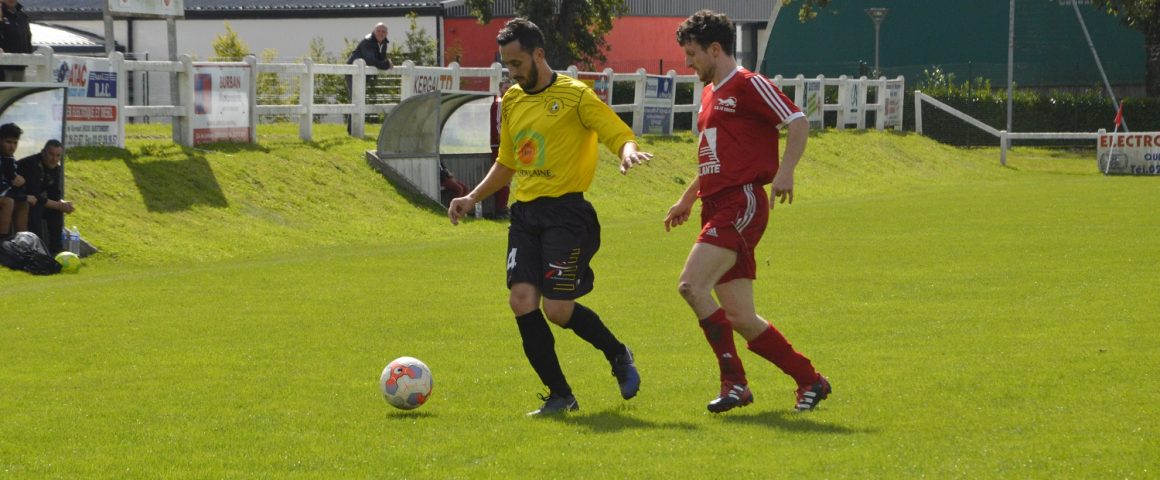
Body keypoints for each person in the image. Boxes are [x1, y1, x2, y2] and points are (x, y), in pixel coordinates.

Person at [447, 18, 652, 416]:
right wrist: (471, 197)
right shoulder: (512, 100)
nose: (512, 72)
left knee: (557, 310)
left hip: (566, 214)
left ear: (538, 55)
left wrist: (627, 152)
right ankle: (561, 396)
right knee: (521, 300)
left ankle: (617, 353)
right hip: (525, 215)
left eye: (517, 63)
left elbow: (615, 131)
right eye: (507, 64)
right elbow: (507, 162)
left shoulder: (575, 95)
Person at [665, 10, 831, 413]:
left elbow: (797, 121)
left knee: (691, 286)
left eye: (692, 54)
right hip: (715, 204)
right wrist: (688, 198)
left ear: (715, 49)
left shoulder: (749, 84)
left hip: (741, 203)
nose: (687, 62)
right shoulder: (709, 95)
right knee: (740, 316)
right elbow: (714, 157)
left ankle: (735, 383)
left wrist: (786, 172)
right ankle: (810, 379)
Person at [17, 140, 73, 253]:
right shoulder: (32, 164)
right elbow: (35, 195)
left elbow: (54, 195)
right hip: (17, 199)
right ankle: (38, 250)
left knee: (56, 211)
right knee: (36, 207)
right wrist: (58, 205)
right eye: (51, 154)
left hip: (32, 200)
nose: (54, 159)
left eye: (58, 155)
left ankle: (56, 251)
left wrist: (63, 204)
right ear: (43, 152)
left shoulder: (56, 168)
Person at [345, 22, 393, 135]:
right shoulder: (368, 41)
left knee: (358, 99)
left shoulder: (384, 43)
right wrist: (387, 64)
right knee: (356, 98)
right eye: (378, 31)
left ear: (387, 33)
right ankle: (353, 130)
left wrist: (387, 61)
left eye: (383, 31)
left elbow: (381, 58)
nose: (381, 33)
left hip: (363, 73)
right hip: (353, 72)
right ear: (374, 31)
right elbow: (371, 60)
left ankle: (352, 130)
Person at [0, 123, 27, 237]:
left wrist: (21, 182)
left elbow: (11, 180)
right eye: (8, 142)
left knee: (23, 203)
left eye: (15, 143)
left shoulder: (9, 159)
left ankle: (22, 241)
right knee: (8, 202)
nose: (12, 147)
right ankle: (3, 241)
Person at [0, 0, 33, 82]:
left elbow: (28, 37)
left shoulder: (22, 16)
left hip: (20, 66)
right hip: (3, 68)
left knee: (18, 89)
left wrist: (29, 53)